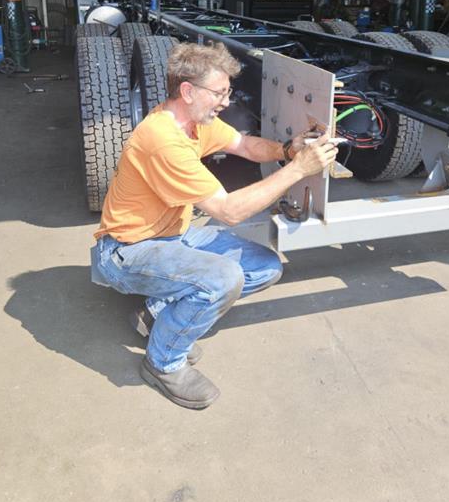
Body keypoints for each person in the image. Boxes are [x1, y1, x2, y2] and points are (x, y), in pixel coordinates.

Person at [91, 41, 338, 410]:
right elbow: (229, 210)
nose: (226, 101)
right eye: (220, 93)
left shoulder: (195, 122)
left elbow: (245, 145)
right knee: (222, 279)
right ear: (188, 91)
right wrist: (299, 169)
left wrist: (287, 149)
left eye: (228, 92)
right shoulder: (162, 140)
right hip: (129, 250)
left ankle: (156, 314)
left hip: (173, 234)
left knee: (265, 267)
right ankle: (162, 363)